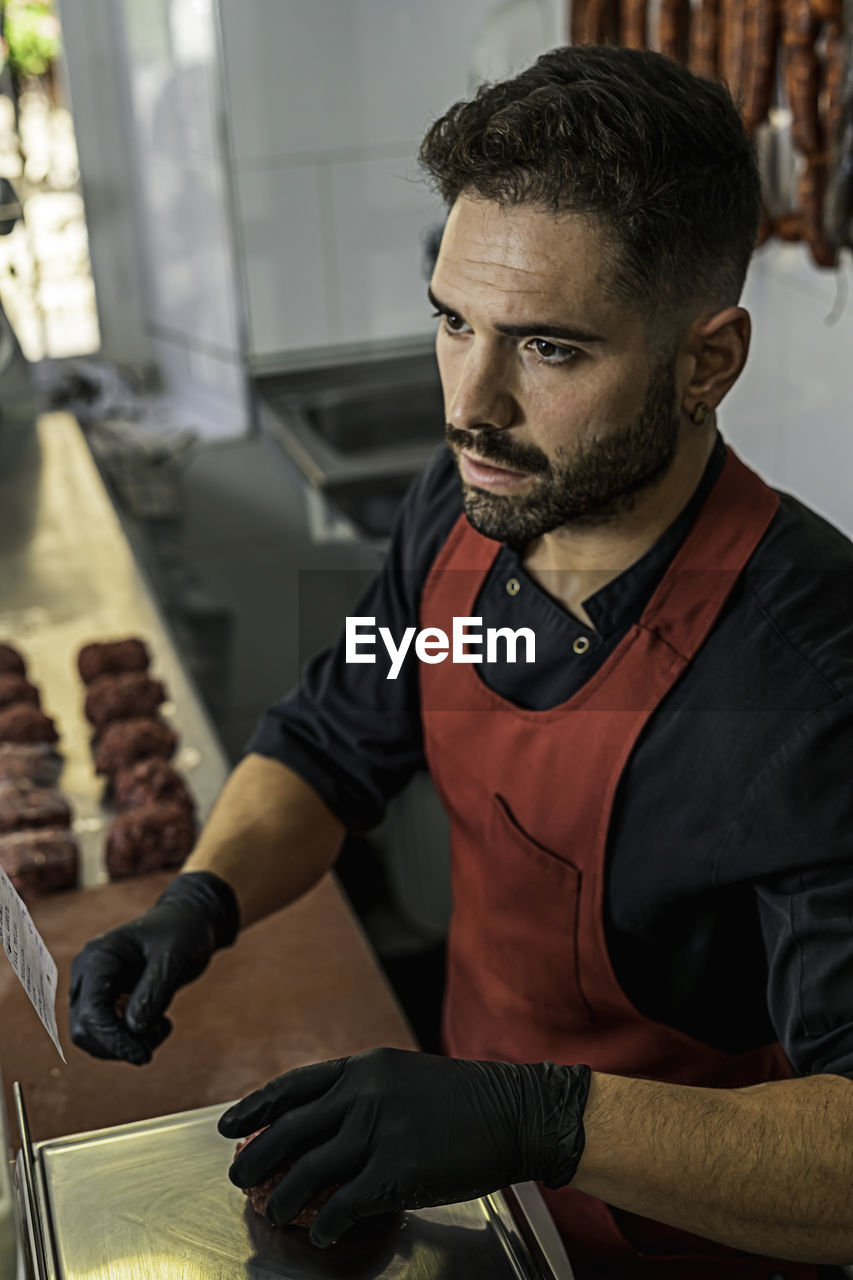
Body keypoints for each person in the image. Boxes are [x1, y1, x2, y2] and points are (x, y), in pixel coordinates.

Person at [69, 45, 853, 1280]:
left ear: (708, 361)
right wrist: (198, 898)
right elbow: (335, 738)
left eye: (546, 348)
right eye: (452, 321)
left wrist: (536, 1116)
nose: (470, 403)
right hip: (471, 1208)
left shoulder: (810, 675)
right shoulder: (466, 505)